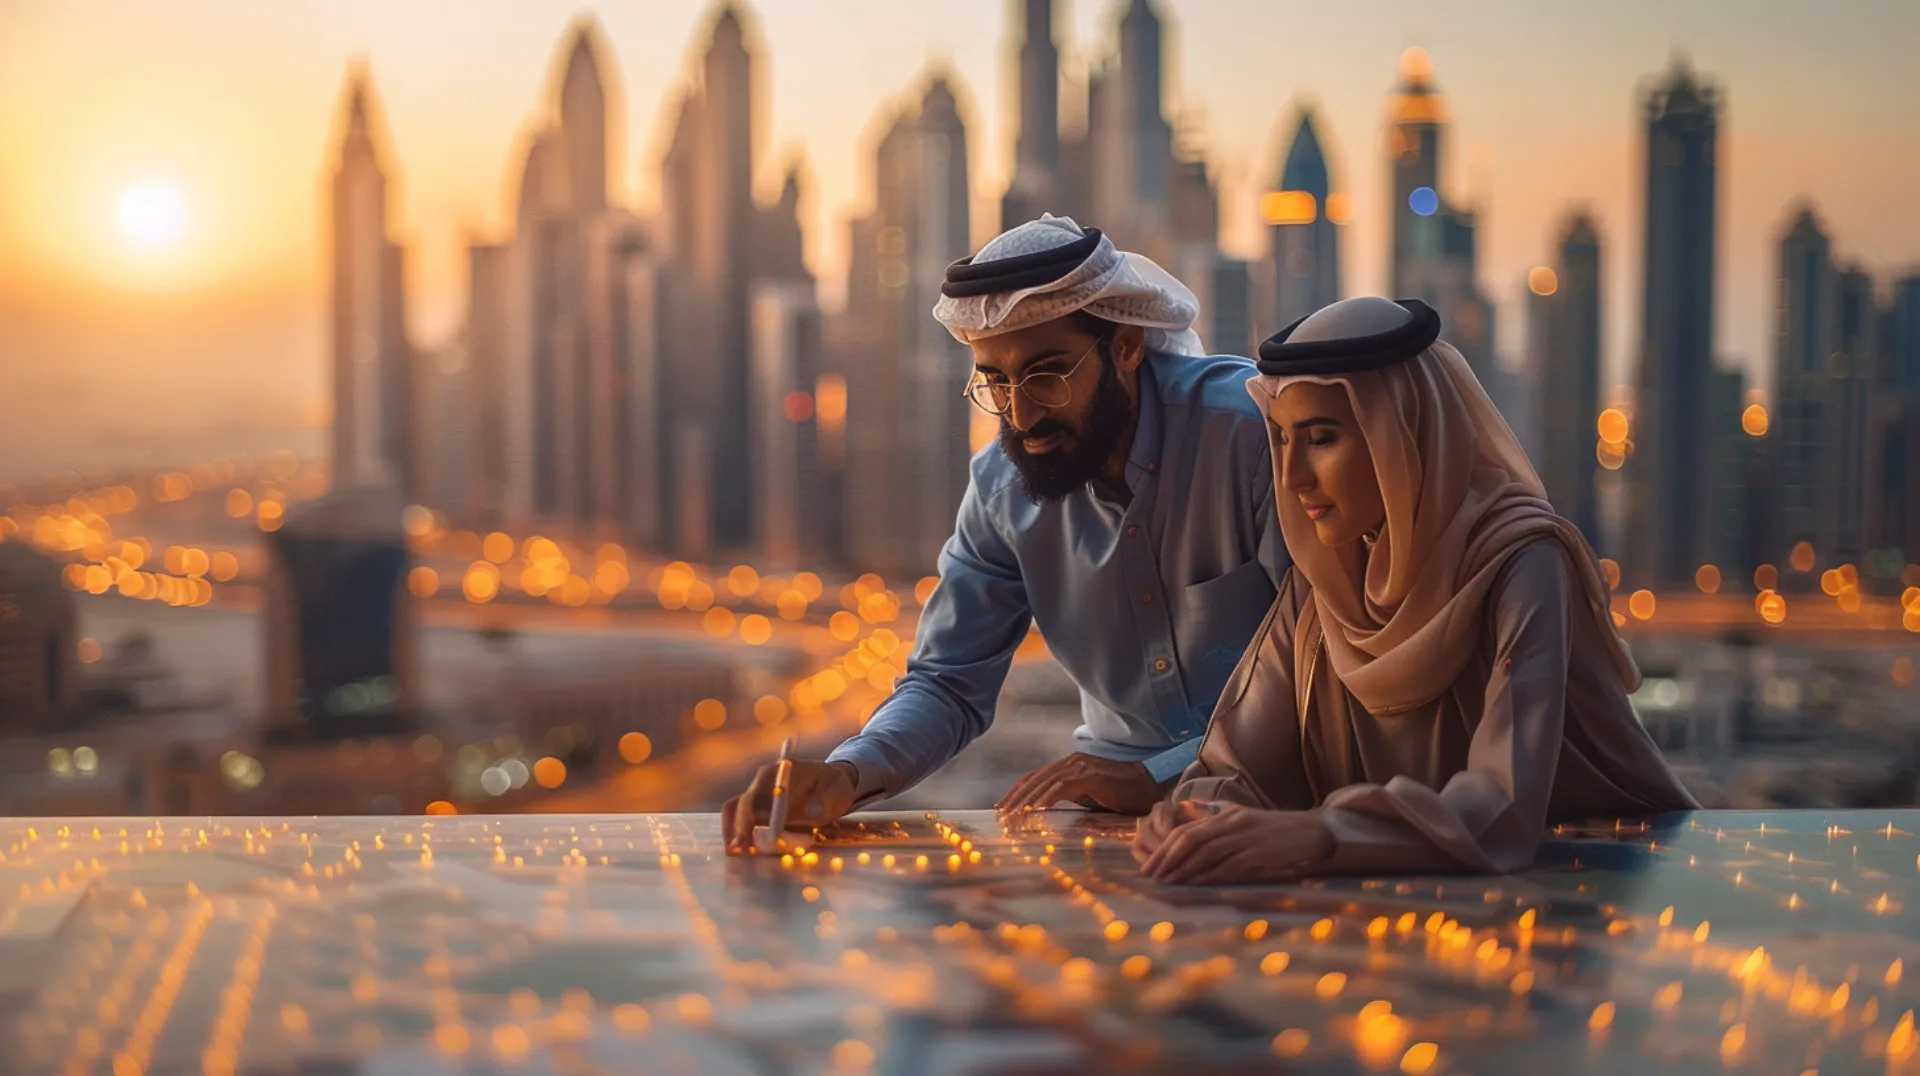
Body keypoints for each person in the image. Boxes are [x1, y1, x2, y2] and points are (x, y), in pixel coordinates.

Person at [724, 216, 1290, 851]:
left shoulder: (1251, 438)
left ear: (1126, 346)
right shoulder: (1002, 488)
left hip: (1278, 807)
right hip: (1109, 827)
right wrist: (846, 774)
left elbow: (1322, 675)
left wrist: (1159, 775)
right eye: (996, 381)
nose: (1021, 415)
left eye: (1047, 373)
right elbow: (946, 684)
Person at [1133, 296, 1698, 883]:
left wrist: (1323, 834)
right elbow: (1238, 763)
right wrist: (1194, 814)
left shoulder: (1521, 561)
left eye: (1321, 439)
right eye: (1280, 440)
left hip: (1597, 884)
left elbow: (1502, 804)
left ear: (1400, 434)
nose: (1293, 475)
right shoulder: (1324, 580)